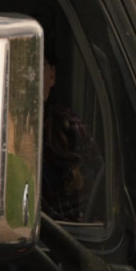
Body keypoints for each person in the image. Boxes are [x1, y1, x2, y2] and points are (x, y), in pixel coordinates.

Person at [40, 54, 103, 222]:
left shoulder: (69, 125)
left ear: (52, 75)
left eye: (37, 63)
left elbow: (102, 186)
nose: (28, 75)